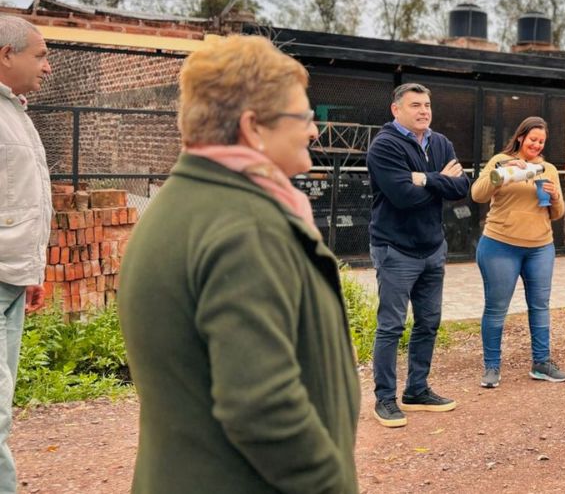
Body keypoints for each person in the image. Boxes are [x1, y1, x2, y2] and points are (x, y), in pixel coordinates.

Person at [119, 36, 359, 493]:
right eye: (303, 117)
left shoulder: (181, 205)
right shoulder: (246, 227)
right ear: (253, 128)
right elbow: (261, 405)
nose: (314, 131)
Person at [367, 82, 470, 428]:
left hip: (432, 248)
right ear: (396, 110)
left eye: (427, 104)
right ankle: (385, 398)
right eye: (415, 105)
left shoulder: (440, 143)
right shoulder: (384, 146)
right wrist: (439, 179)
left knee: (429, 322)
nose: (424, 111)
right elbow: (402, 197)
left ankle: (417, 390)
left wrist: (424, 179)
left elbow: (462, 187)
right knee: (391, 326)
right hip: (395, 250)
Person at [471, 117, 565, 388]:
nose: (536, 145)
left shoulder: (548, 169)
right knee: (496, 309)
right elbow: (477, 194)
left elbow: (557, 214)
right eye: (532, 139)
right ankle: (492, 367)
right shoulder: (500, 161)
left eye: (541, 141)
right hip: (500, 245)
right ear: (520, 137)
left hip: (540, 248)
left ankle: (541, 363)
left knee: (540, 307)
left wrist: (556, 196)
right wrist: (501, 172)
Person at [0, 16, 50, 493]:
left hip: (11, 283)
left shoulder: (15, 111)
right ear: (5, 55)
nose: (48, 67)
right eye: (40, 55)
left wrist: (30, 270)